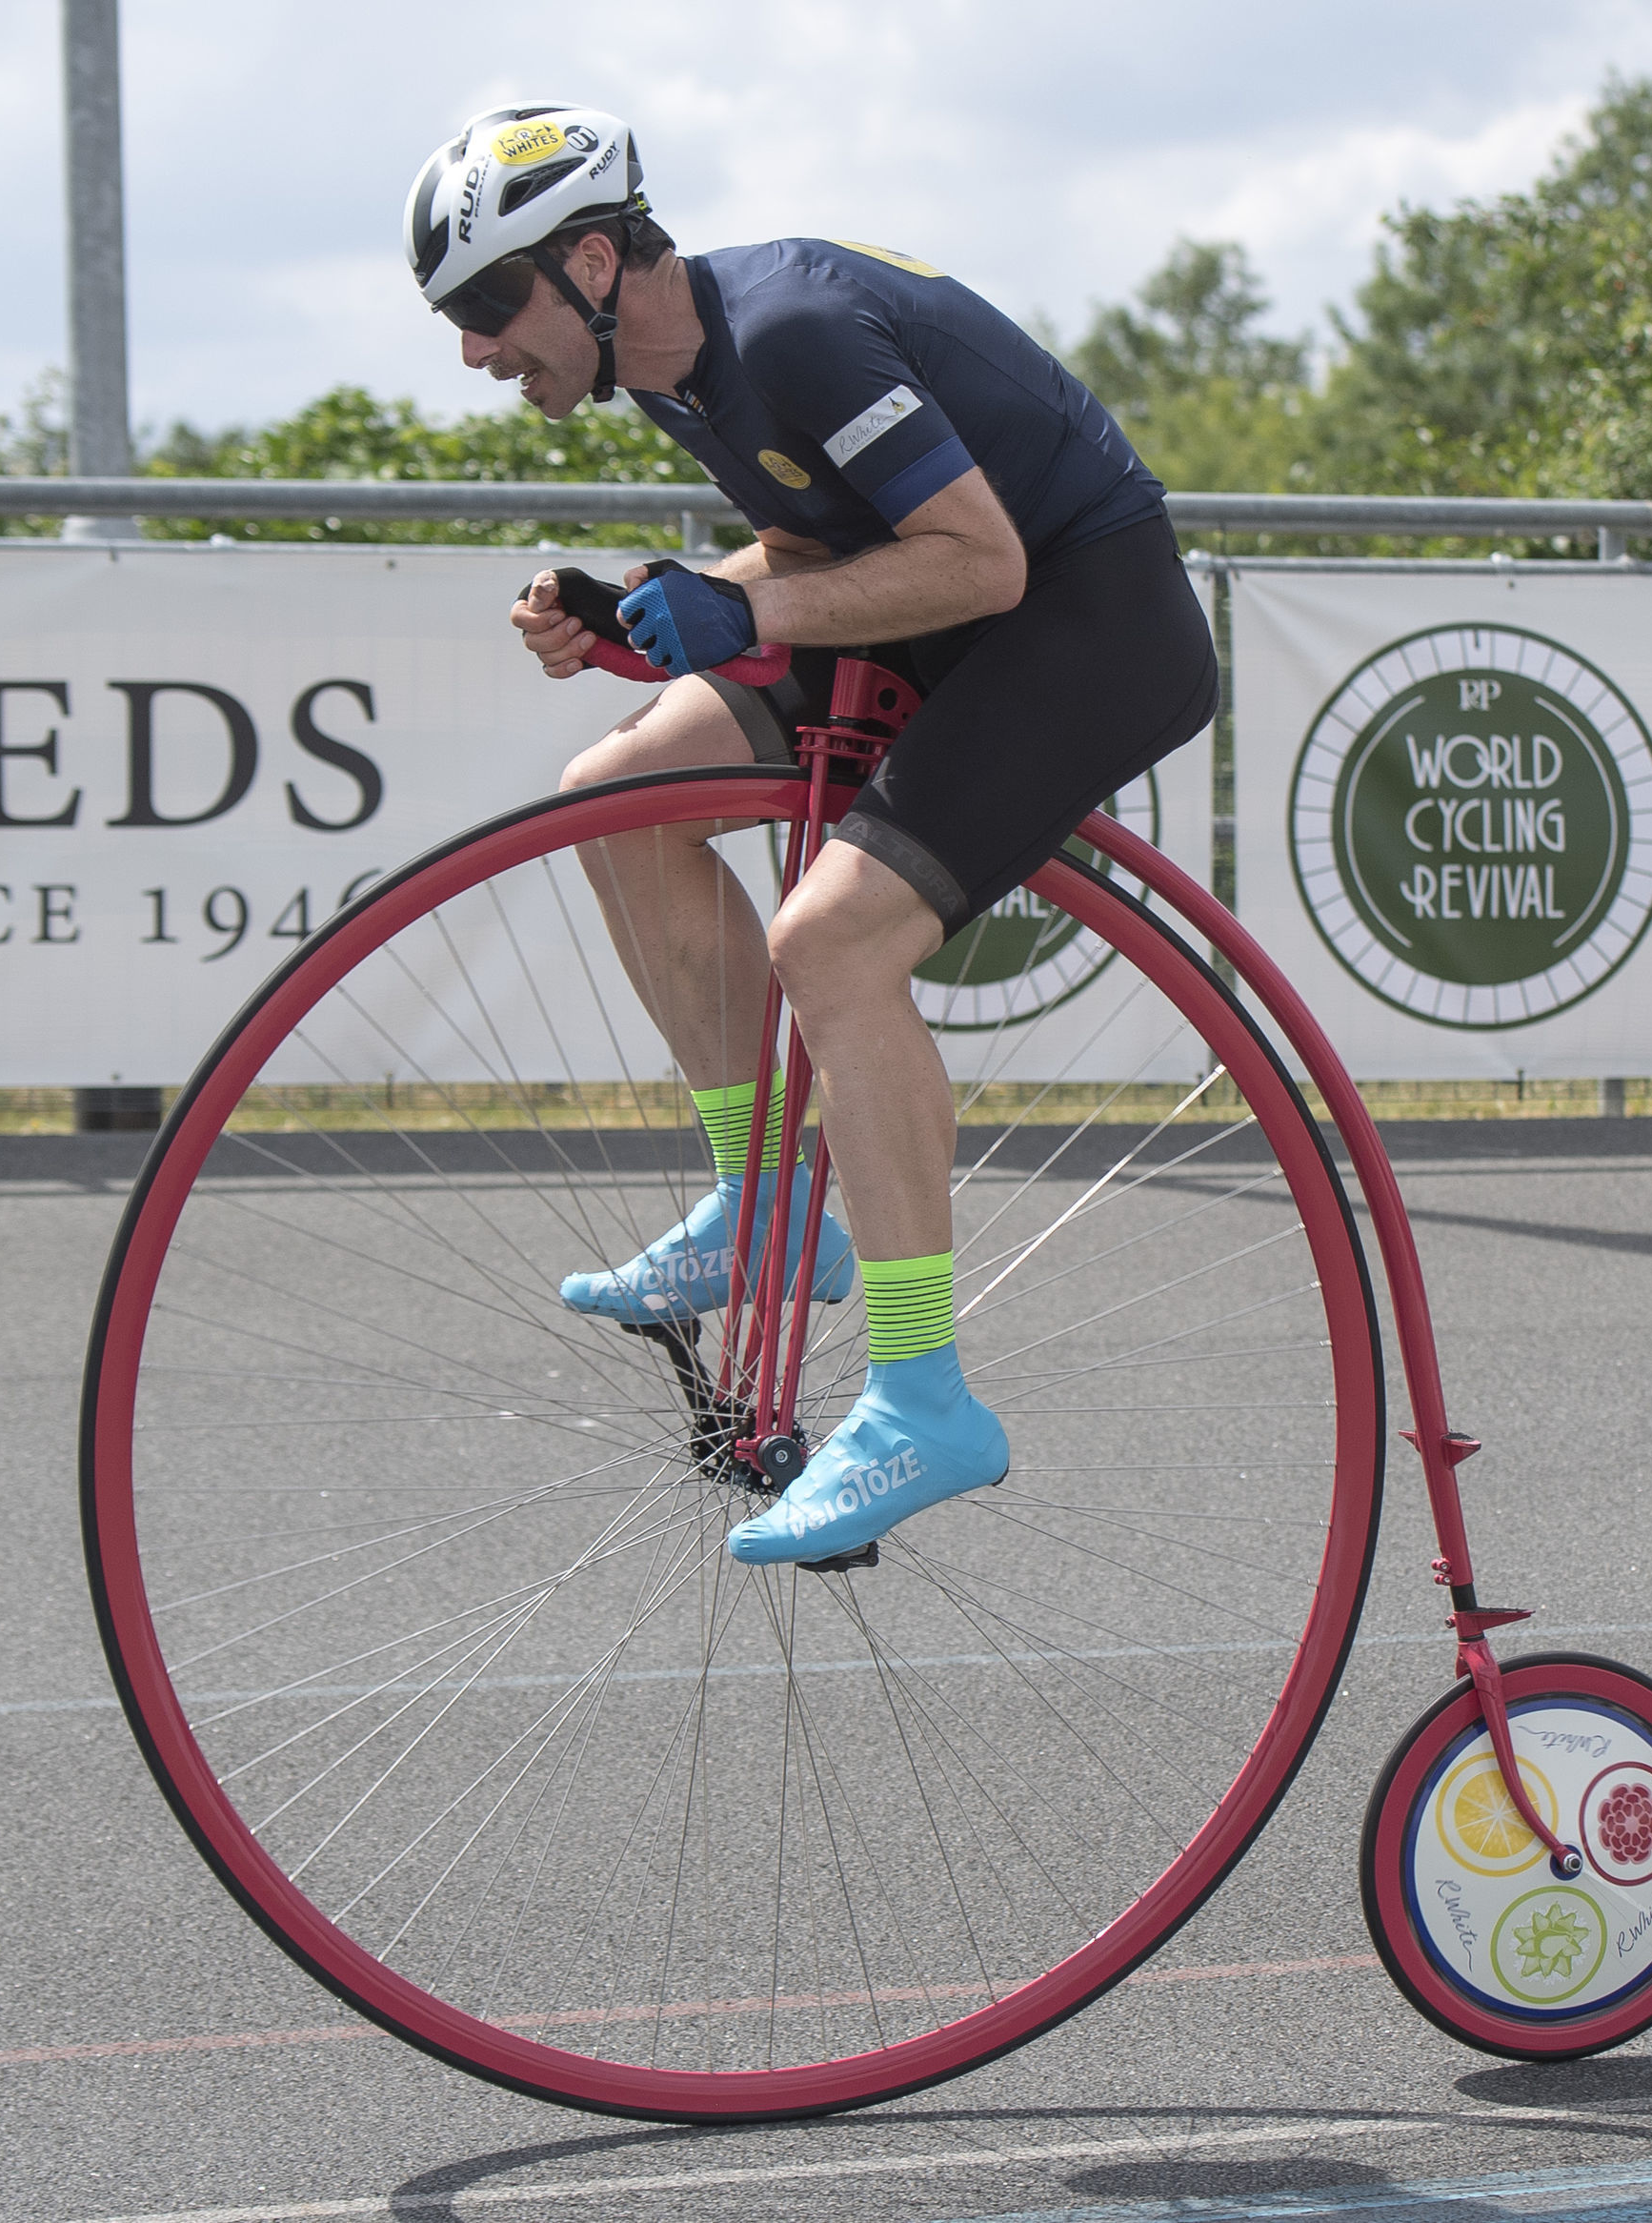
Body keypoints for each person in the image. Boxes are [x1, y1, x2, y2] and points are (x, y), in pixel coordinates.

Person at [404, 105, 1217, 1567]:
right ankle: (769, 1199)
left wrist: (754, 611)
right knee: (615, 801)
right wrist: (658, 599)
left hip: (1083, 623)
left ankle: (922, 1395)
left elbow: (982, 555)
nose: (473, 350)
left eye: (486, 307)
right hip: (946, 617)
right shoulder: (674, 369)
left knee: (830, 939)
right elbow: (822, 540)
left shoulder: (787, 330)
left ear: (593, 261)